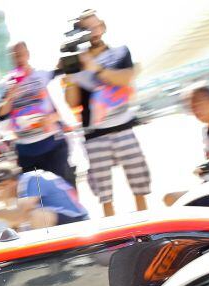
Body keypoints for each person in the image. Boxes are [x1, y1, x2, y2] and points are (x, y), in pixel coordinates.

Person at [64, 9, 150, 216]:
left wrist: (96, 69)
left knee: (140, 188)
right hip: (95, 134)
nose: (93, 32)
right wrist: (72, 72)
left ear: (103, 27)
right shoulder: (76, 62)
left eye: (95, 26)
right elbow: (71, 102)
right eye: (86, 29)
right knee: (105, 196)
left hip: (124, 127)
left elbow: (126, 78)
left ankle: (147, 229)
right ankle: (114, 236)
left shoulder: (120, 52)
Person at [0, 41, 75, 186]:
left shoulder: (44, 75)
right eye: (14, 56)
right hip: (26, 151)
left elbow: (66, 105)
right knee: (39, 200)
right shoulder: (7, 83)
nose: (18, 59)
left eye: (21, 54)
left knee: (62, 191)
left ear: (28, 54)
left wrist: (52, 117)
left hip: (52, 145)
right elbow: (1, 114)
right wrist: (9, 96)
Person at [0, 165, 88, 230]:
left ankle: (51, 262)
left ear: (12, 182)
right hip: (68, 221)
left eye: (1, 187)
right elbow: (15, 220)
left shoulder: (31, 180)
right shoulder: (26, 183)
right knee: (15, 222)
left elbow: (20, 215)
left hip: (79, 222)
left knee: (37, 216)